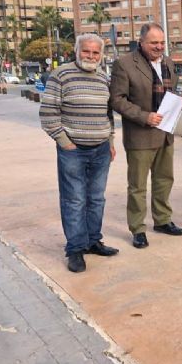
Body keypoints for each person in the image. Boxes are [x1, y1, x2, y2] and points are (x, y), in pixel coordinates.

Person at [40, 34, 118, 273]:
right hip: (73, 150)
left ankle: (93, 241)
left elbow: (107, 114)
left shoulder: (103, 77)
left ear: (101, 55)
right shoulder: (61, 75)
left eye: (96, 52)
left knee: (96, 199)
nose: (91, 56)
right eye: (86, 51)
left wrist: (110, 140)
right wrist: (65, 142)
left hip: (101, 149)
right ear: (77, 51)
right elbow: (48, 113)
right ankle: (75, 248)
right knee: (74, 200)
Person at [110, 23, 182, 249]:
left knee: (164, 180)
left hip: (165, 132)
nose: (159, 46)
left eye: (162, 42)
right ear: (142, 42)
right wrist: (144, 116)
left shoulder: (168, 63)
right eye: (154, 42)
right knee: (137, 186)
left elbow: (168, 94)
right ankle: (137, 228)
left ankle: (162, 220)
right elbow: (117, 99)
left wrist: (181, 101)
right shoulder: (124, 64)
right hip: (140, 134)